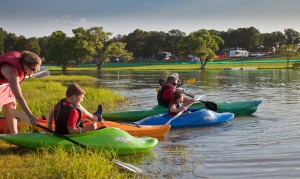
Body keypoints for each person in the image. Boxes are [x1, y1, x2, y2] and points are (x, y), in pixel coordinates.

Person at [0, 51, 42, 133]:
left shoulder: (23, 62)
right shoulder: (12, 73)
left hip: (5, 83)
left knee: (11, 104)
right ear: (26, 66)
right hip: (1, 84)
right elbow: (19, 97)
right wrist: (30, 116)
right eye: (33, 69)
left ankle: (14, 133)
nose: (34, 72)